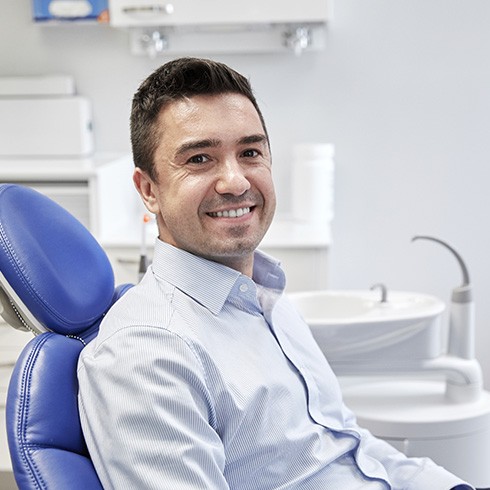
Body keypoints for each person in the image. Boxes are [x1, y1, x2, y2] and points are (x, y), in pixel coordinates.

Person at [77, 57, 473, 490]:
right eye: (200, 158)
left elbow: (350, 445)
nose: (234, 181)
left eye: (249, 152)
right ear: (149, 190)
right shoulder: (147, 353)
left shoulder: (265, 297)